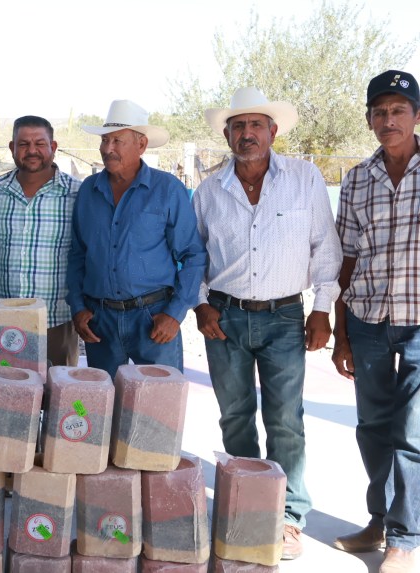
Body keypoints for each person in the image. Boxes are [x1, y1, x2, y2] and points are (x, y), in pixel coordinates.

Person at [193, 87, 342, 560]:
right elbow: (193, 255)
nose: (247, 133)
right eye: (238, 126)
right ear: (227, 135)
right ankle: (247, 506)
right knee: (235, 416)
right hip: (224, 317)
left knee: (285, 420)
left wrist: (322, 308)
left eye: (256, 125)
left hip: (284, 316)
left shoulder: (304, 178)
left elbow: (325, 246)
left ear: (273, 132)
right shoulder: (209, 191)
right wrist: (200, 304)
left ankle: (289, 517)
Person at [332, 69, 420, 573]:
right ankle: (379, 521)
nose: (389, 120)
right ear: (369, 120)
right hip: (367, 319)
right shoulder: (357, 179)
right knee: (372, 427)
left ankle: (405, 540)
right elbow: (345, 258)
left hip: (419, 322)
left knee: (411, 432)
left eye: (398, 110)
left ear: (416, 116)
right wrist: (341, 332)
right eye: (380, 112)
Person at [67, 100, 206, 377]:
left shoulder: (167, 189)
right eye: (104, 140)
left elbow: (193, 255)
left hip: (153, 317)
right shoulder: (88, 191)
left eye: (117, 141)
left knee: (158, 400)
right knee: (102, 398)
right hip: (100, 320)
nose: (108, 148)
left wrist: (175, 314)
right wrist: (78, 307)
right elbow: (77, 254)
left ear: (141, 145)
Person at [0, 115, 81, 366]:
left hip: (57, 319)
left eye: (40, 143)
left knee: (60, 388)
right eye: (24, 144)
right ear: (12, 147)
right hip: (5, 319)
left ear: (53, 147)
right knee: (7, 387)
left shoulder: (77, 193)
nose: (32, 151)